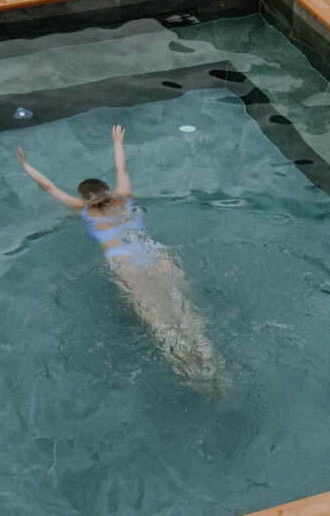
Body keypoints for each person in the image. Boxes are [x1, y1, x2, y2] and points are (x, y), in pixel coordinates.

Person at [16, 125, 219, 383]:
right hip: (155, 255)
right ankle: (210, 359)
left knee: (158, 320)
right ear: (107, 189)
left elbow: (48, 187)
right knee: (182, 309)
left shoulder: (82, 209)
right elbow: (122, 169)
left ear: (84, 197)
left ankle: (190, 373)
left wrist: (25, 164)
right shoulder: (124, 197)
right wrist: (117, 142)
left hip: (125, 266)